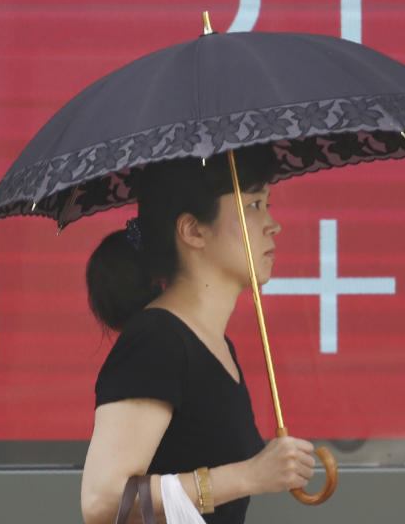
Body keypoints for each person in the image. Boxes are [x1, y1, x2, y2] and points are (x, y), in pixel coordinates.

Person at [80, 146, 316, 524]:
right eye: (253, 205)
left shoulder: (217, 346)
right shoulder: (157, 340)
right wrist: (247, 475)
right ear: (193, 231)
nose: (273, 224)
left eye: (266, 203)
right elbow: (102, 500)